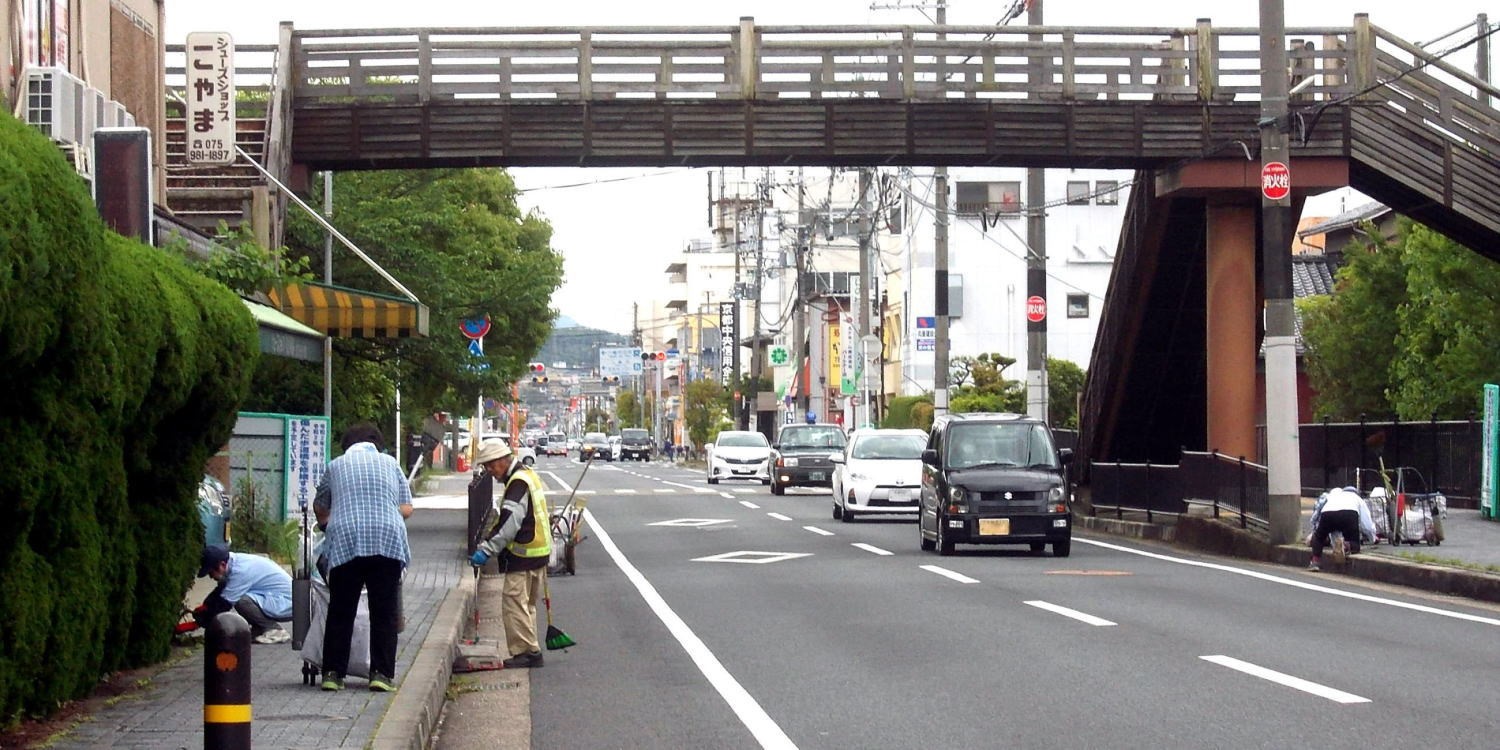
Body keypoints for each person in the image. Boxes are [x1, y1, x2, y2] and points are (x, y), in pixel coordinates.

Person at [313, 423, 414, 692]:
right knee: (384, 610)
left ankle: (333, 674)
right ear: (376, 444)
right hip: (387, 540)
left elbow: (320, 506)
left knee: (341, 609)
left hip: (346, 539)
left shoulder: (336, 465)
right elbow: (406, 508)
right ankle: (381, 674)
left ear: (347, 445)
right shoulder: (390, 463)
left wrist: (326, 523)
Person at [469, 439, 551, 668]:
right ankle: (530, 646)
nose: (489, 471)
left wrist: (485, 551)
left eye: (490, 465)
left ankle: (527, 652)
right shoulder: (527, 475)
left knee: (514, 603)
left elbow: (508, 524)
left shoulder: (518, 483)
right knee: (526, 605)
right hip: (538, 552)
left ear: (502, 460)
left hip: (524, 554)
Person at [196, 545, 294, 644]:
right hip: (278, 599)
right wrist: (205, 607)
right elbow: (219, 592)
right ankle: (259, 629)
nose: (211, 576)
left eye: (211, 572)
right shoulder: (235, 562)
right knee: (239, 597)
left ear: (222, 564)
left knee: (241, 600)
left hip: (285, 603)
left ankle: (274, 630)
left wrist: (199, 623)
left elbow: (223, 605)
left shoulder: (240, 571)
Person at [1307, 486, 1378, 571]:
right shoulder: (1357, 498)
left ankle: (1315, 561)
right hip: (1349, 513)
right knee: (1355, 544)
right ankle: (1345, 546)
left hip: (1327, 513)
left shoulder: (1334, 496)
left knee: (1319, 537)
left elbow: (1332, 529)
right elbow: (1366, 525)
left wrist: (1334, 544)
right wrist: (1373, 538)